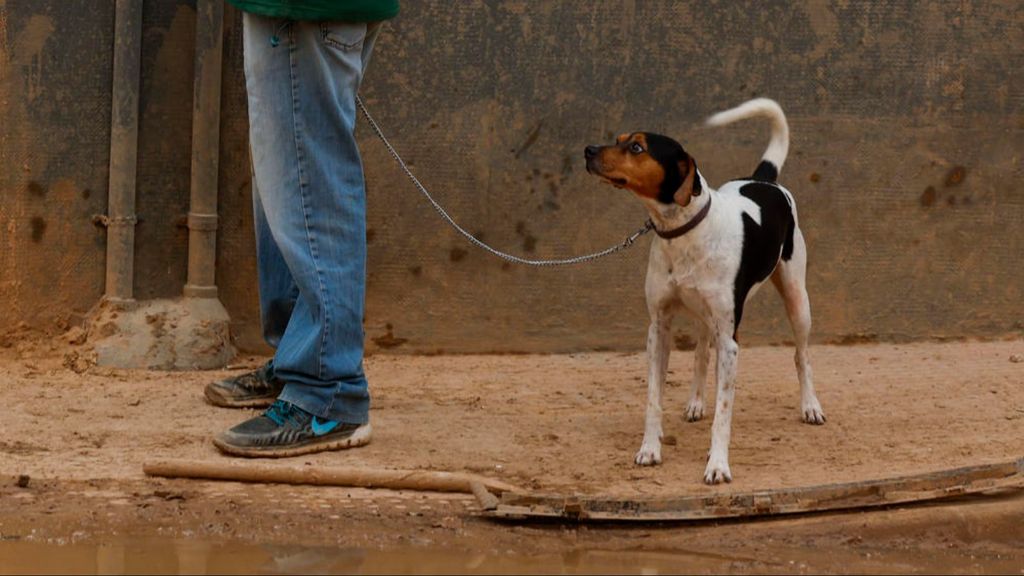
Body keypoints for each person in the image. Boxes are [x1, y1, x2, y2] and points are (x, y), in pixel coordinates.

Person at [204, 0, 399, 457]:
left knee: (308, 180)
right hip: (307, 10)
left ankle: (327, 391)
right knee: (289, 182)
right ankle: (302, 362)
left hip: (304, 7)